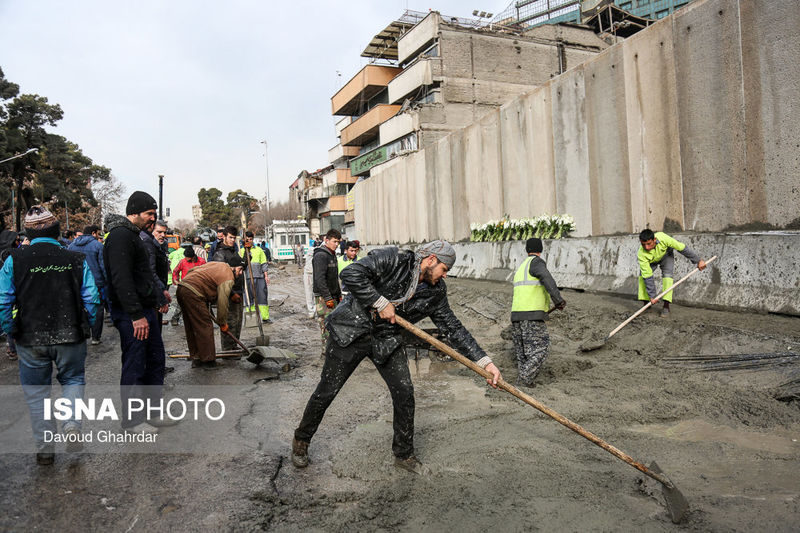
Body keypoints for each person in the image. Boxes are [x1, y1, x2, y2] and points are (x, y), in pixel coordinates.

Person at [292, 240, 503, 474]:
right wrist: (379, 302)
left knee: (404, 393)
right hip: (350, 332)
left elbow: (454, 329)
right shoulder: (395, 259)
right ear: (431, 260)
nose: (444, 276)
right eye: (445, 269)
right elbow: (351, 273)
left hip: (386, 339)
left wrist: (485, 362)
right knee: (327, 390)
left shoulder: (435, 292)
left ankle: (404, 454)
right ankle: (301, 441)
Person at [0, 206, 99, 465]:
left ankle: (45, 449)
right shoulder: (75, 259)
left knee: (37, 394)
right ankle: (71, 426)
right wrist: (84, 325)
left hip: (30, 338)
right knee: (74, 379)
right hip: (71, 335)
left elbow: (3, 301)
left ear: (28, 233)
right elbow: (92, 298)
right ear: (56, 231)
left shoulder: (14, 260)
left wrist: (11, 329)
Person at [104, 191, 171, 433]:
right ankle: (133, 421)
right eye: (149, 214)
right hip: (132, 314)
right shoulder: (120, 237)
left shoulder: (135, 236)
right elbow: (121, 280)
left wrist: (157, 295)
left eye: (154, 214)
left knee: (154, 359)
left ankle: (153, 413)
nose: (152, 219)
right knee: (135, 364)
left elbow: (143, 274)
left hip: (145, 310)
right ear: (134, 212)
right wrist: (135, 315)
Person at [510, 238, 566, 386]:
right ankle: (523, 381)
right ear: (540, 250)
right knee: (541, 348)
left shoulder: (522, 266)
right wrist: (558, 300)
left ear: (526, 250)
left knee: (523, 354)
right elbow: (547, 278)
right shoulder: (537, 262)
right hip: (531, 315)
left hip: (516, 316)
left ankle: (524, 382)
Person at [176, 256, 244, 369]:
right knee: (204, 326)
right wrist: (222, 323)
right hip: (194, 292)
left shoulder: (217, 265)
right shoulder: (229, 276)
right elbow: (222, 303)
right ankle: (208, 361)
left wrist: (231, 294)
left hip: (182, 288)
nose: (240, 273)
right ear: (233, 267)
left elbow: (192, 271)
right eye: (240, 269)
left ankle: (197, 358)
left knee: (192, 326)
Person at [637, 229, 707, 317]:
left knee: (668, 277)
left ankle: (666, 306)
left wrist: (698, 260)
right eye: (643, 245)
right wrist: (652, 295)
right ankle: (646, 305)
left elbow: (681, 248)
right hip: (651, 261)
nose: (646, 247)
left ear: (654, 240)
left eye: (649, 244)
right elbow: (647, 275)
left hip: (666, 256)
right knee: (642, 276)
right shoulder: (641, 253)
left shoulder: (663, 237)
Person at [68, 225, 107, 345]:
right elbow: (103, 266)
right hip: (96, 282)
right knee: (98, 308)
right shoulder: (98, 246)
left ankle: (80, 333)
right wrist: (107, 281)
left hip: (76, 282)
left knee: (77, 307)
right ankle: (95, 337)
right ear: (94, 233)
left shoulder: (71, 246)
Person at [211, 226, 243, 350]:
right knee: (230, 321)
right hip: (228, 292)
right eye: (230, 237)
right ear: (223, 236)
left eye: (234, 238)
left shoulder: (233, 250)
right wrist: (232, 294)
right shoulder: (219, 254)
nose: (232, 240)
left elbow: (240, 267)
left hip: (238, 290)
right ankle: (228, 348)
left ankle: (233, 346)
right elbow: (220, 278)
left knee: (238, 321)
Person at [311, 229, 342, 350]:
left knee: (334, 324)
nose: (336, 244)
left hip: (333, 295)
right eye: (334, 241)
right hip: (323, 298)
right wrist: (328, 297)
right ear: (326, 240)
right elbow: (320, 279)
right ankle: (327, 351)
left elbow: (334, 278)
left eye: (338, 242)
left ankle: (333, 349)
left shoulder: (332, 255)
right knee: (326, 324)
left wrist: (338, 294)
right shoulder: (321, 255)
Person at [140, 220, 171, 328]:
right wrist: (161, 293)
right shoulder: (149, 245)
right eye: (159, 232)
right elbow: (151, 273)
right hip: (151, 296)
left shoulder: (160, 247)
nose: (162, 235)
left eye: (164, 232)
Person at [239, 231, 270, 323]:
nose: (249, 241)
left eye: (251, 239)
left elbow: (264, 263)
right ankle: (251, 318)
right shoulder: (241, 251)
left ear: (253, 239)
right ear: (244, 240)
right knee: (249, 298)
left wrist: (266, 276)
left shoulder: (259, 250)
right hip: (247, 279)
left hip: (259, 277)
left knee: (262, 297)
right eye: (247, 239)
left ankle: (265, 317)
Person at [0, 230, 21, 359]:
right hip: (9, 291)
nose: (19, 242)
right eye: (17, 240)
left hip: (5, 291)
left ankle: (10, 345)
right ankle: (12, 346)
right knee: (12, 316)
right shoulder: (11, 255)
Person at [302, 240, 320, 319]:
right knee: (309, 293)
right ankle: (311, 311)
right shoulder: (311, 251)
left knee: (316, 293)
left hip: (316, 274)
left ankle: (315, 310)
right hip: (309, 274)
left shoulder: (319, 253)